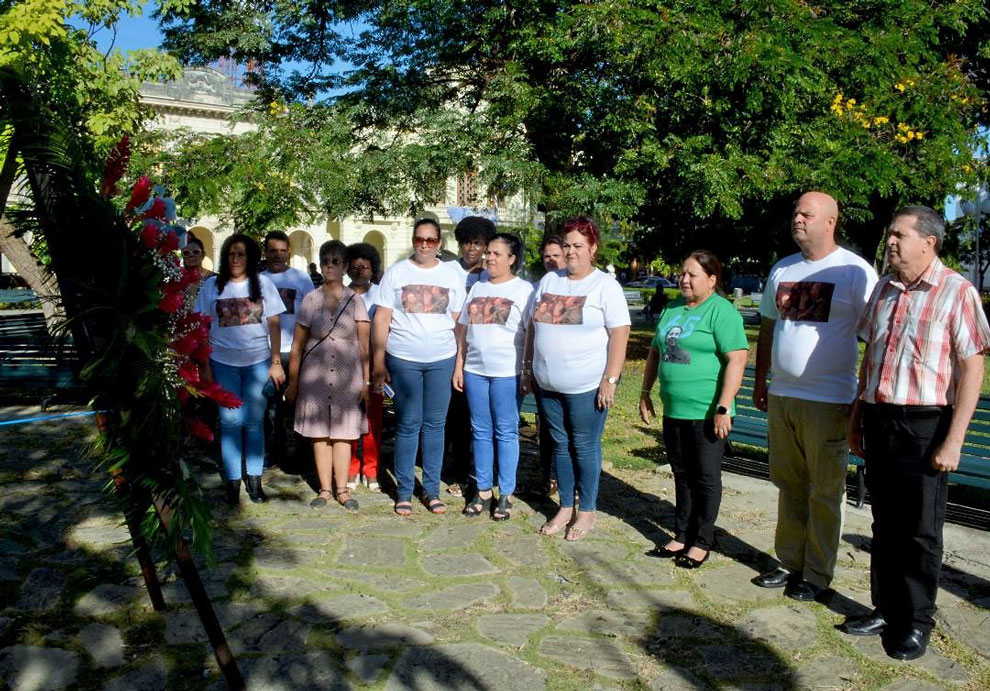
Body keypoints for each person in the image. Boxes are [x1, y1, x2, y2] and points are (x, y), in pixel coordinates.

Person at [839, 206, 990, 660]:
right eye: (890, 235)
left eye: (899, 235)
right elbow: (871, 359)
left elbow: (972, 369)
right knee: (884, 522)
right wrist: (856, 418)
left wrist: (954, 438)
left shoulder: (956, 291)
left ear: (929, 242)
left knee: (920, 529)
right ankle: (885, 608)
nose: (891, 243)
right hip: (881, 419)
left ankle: (916, 621)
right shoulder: (884, 289)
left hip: (926, 424)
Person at [751, 191, 878, 601]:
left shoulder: (855, 272)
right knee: (788, 483)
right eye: (795, 212)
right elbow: (770, 326)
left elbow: (874, 338)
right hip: (784, 393)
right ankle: (789, 562)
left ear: (831, 221)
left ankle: (817, 574)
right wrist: (761, 380)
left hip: (829, 400)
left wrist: (861, 396)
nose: (798, 219)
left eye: (807, 213)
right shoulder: (783, 269)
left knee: (824, 491)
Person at [522, 216, 631, 540]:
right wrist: (528, 369)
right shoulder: (549, 282)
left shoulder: (604, 286)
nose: (571, 252)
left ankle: (587, 511)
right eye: (567, 245)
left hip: (586, 387)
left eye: (578, 246)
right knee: (559, 445)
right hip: (547, 385)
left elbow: (620, 334)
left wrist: (609, 380)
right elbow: (531, 326)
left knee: (583, 446)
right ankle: (566, 505)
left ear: (593, 248)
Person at [639, 250, 748, 568]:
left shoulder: (722, 311)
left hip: (707, 413)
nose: (683, 279)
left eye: (692, 275)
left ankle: (701, 540)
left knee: (705, 478)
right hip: (675, 409)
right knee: (681, 473)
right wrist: (645, 392)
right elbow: (655, 352)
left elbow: (737, 359)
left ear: (712, 280)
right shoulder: (672, 308)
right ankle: (681, 534)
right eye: (682, 273)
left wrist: (723, 407)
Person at [373, 217, 465, 516]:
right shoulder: (397, 273)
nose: (424, 245)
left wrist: (459, 361)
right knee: (408, 424)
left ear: (439, 243)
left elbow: (458, 322)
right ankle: (403, 491)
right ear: (413, 241)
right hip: (404, 359)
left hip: (441, 358)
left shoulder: (451, 274)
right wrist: (378, 358)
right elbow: (382, 318)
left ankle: (431, 490)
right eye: (418, 239)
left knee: (436, 425)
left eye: (430, 240)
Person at [194, 233, 285, 504]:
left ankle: (254, 479)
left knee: (255, 422)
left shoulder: (264, 284)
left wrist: (276, 362)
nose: (236, 259)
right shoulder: (211, 287)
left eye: (241, 254)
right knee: (230, 422)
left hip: (257, 363)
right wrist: (205, 367)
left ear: (250, 257)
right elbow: (201, 328)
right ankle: (233, 480)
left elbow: (275, 324)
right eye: (231, 254)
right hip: (223, 364)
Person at [454, 233, 534, 520]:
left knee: (506, 432)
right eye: (488, 252)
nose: (489, 257)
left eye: (497, 254)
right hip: (475, 372)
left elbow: (531, 334)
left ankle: (507, 492)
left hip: (506, 373)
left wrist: (526, 370)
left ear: (512, 259)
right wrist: (459, 366)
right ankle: (484, 489)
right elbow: (463, 330)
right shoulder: (477, 287)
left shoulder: (524, 290)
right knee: (481, 432)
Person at [286, 240, 370, 512]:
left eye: (336, 261)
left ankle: (343, 489)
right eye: (326, 261)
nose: (330, 266)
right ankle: (325, 489)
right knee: (320, 434)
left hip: (348, 375)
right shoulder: (311, 299)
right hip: (316, 375)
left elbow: (365, 346)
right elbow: (297, 344)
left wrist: (367, 380)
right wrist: (294, 381)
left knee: (344, 434)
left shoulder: (355, 301)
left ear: (345, 266)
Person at [443, 216, 497, 499]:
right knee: (458, 417)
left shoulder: (494, 272)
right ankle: (460, 471)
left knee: (488, 418)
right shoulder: (448, 270)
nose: (471, 248)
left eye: (477, 243)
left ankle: (490, 472)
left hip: (485, 353)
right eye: (466, 242)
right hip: (451, 350)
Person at [260, 231, 315, 466]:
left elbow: (313, 312)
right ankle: (273, 452)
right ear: (266, 253)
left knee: (300, 405)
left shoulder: (301, 279)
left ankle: (302, 454)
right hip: (267, 351)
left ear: (289, 253)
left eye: (283, 251)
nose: (278, 256)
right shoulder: (258, 279)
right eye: (273, 251)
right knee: (270, 407)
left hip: (296, 351)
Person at [346, 242, 383, 491]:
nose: (360, 271)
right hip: (346, 367)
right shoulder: (340, 293)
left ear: (373, 269)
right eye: (355, 266)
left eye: (365, 266)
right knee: (347, 421)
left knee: (373, 421)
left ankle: (371, 470)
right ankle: (350, 469)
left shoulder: (381, 294)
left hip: (375, 364)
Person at [534, 235, 564, 497]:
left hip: (577, 377)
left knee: (572, 434)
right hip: (544, 374)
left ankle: (571, 481)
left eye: (556, 255)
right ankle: (550, 476)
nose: (552, 260)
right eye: (547, 256)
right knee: (547, 430)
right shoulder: (540, 286)